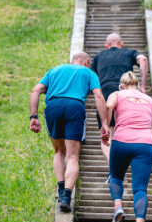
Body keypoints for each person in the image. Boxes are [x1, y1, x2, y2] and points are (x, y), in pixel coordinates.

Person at [30, 52, 109, 212]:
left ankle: (60, 189)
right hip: (75, 107)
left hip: (53, 106)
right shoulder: (89, 73)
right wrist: (104, 123)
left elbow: (35, 91)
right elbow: (99, 96)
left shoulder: (54, 70)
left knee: (59, 151)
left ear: (72, 61)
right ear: (87, 62)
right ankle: (66, 195)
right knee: (72, 155)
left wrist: (34, 116)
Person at [102, 71, 152, 222]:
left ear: (122, 85)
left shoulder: (117, 94)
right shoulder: (150, 100)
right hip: (145, 145)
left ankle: (118, 207)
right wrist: (142, 136)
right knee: (140, 189)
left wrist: (106, 126)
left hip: (121, 141)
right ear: (137, 86)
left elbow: (108, 105)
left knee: (116, 176)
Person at [91, 33, 149, 168]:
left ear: (106, 45)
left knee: (107, 133)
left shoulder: (99, 56)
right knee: (127, 128)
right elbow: (144, 60)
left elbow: (91, 76)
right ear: (121, 43)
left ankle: (112, 167)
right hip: (125, 93)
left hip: (105, 92)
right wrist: (143, 87)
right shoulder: (129, 52)